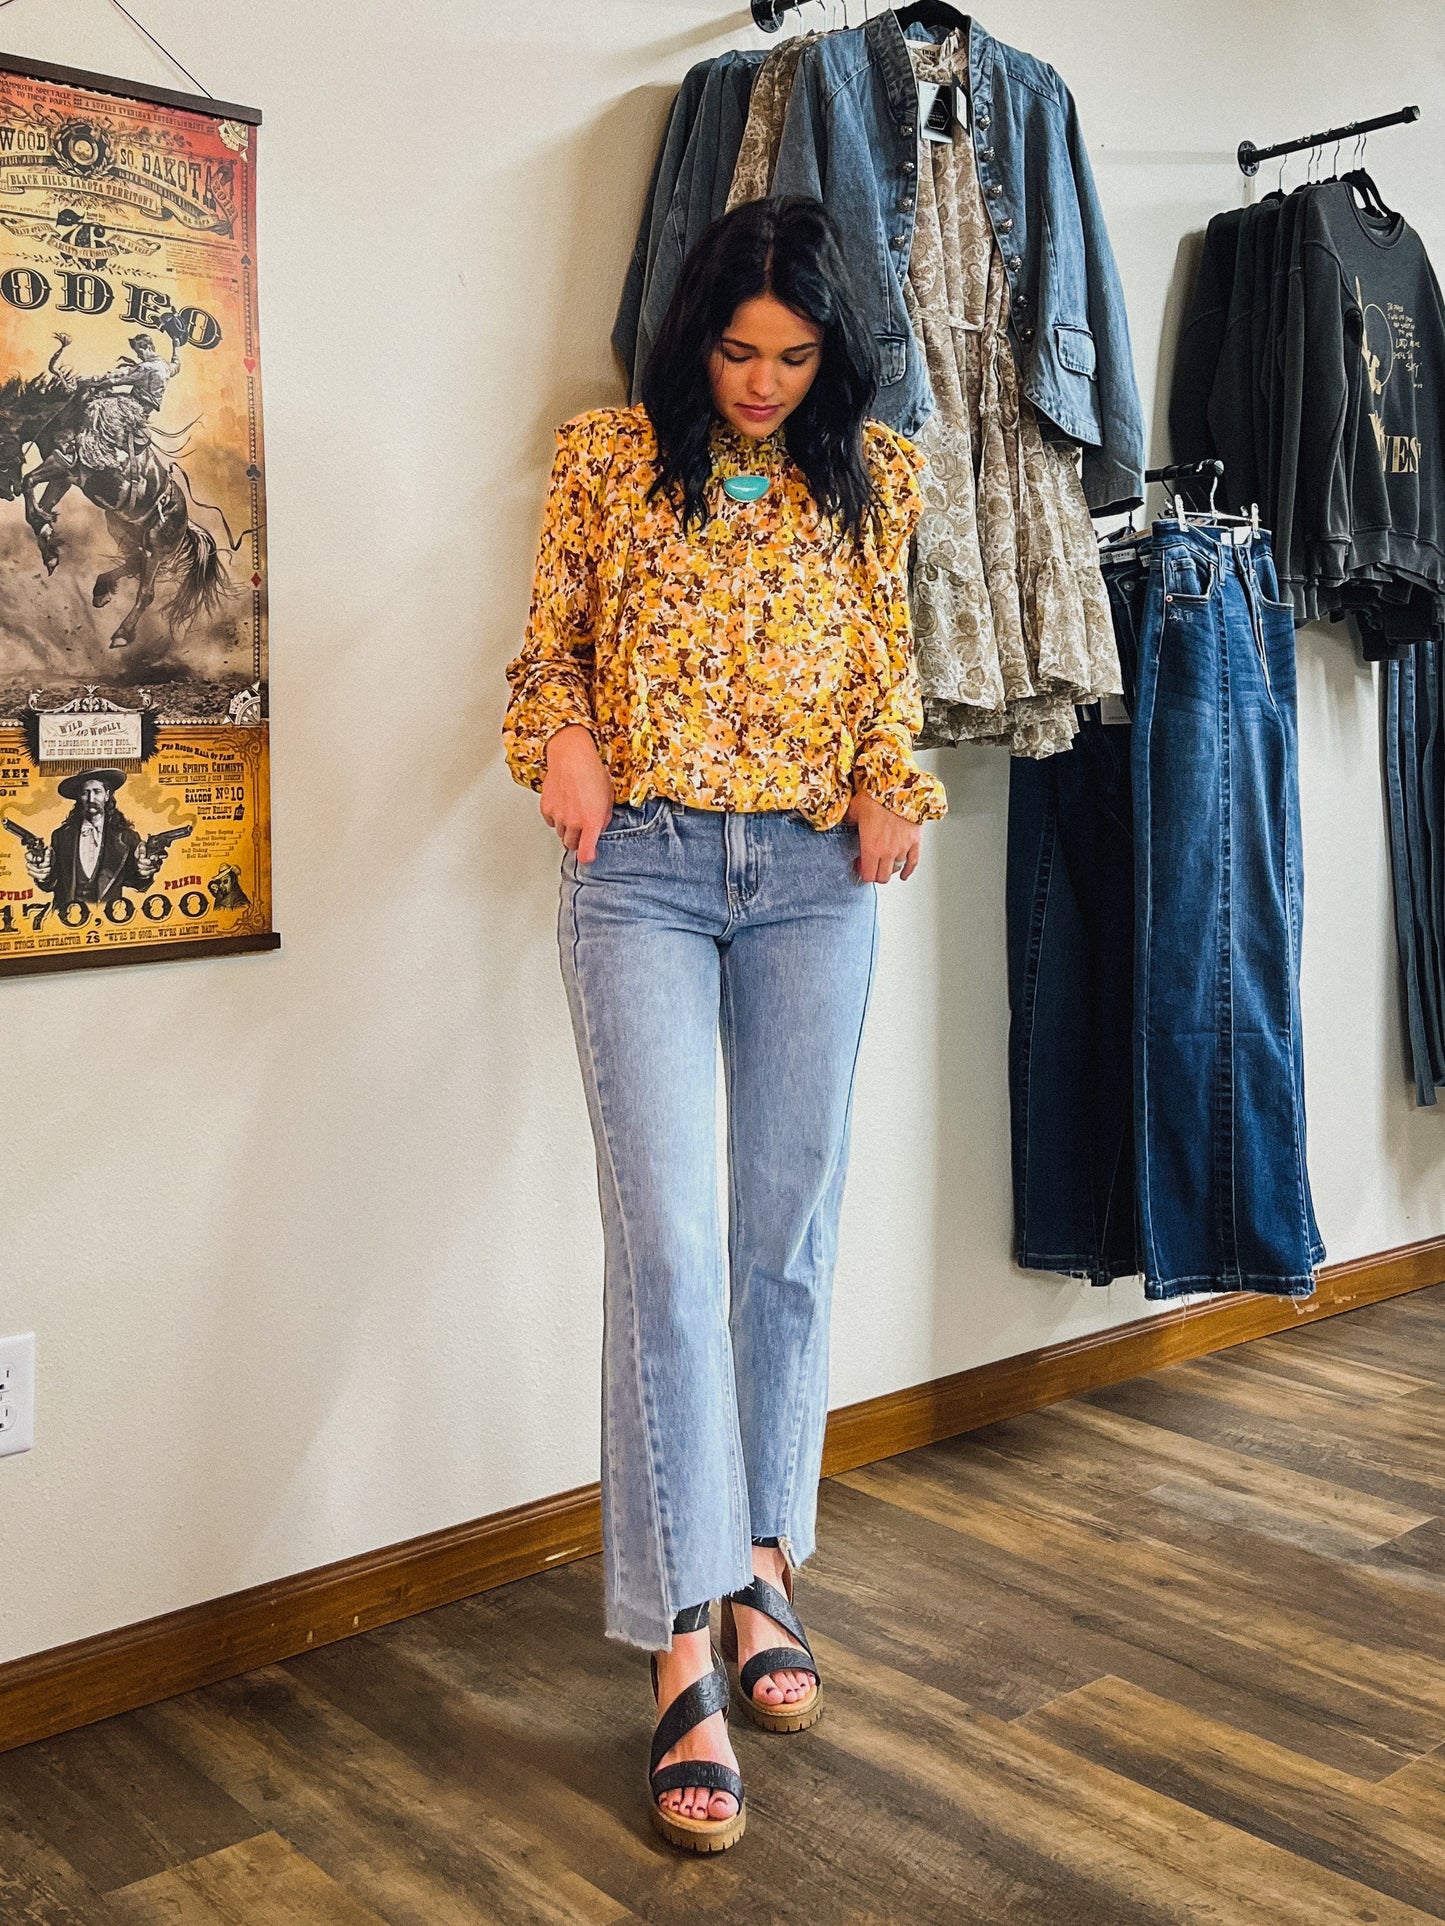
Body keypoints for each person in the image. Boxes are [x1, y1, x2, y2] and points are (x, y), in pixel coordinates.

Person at [503, 196, 947, 1853]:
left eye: (793, 357)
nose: (761, 383)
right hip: (648, 872)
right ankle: (682, 1640)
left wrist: (894, 783)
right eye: (739, 350)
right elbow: (546, 659)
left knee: (784, 1243)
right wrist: (561, 746)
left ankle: (764, 1559)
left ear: (831, 359)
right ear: (696, 337)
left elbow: (890, 667)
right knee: (673, 1255)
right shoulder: (604, 460)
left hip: (821, 875)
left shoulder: (880, 476)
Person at [23, 767, 160, 908]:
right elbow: (52, 882)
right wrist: (43, 875)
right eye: (85, 793)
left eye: (97, 792)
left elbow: (137, 882)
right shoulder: (61, 836)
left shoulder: (127, 838)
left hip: (108, 918)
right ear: (78, 797)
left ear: (107, 795)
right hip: (66, 919)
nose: (91, 799)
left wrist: (145, 871)